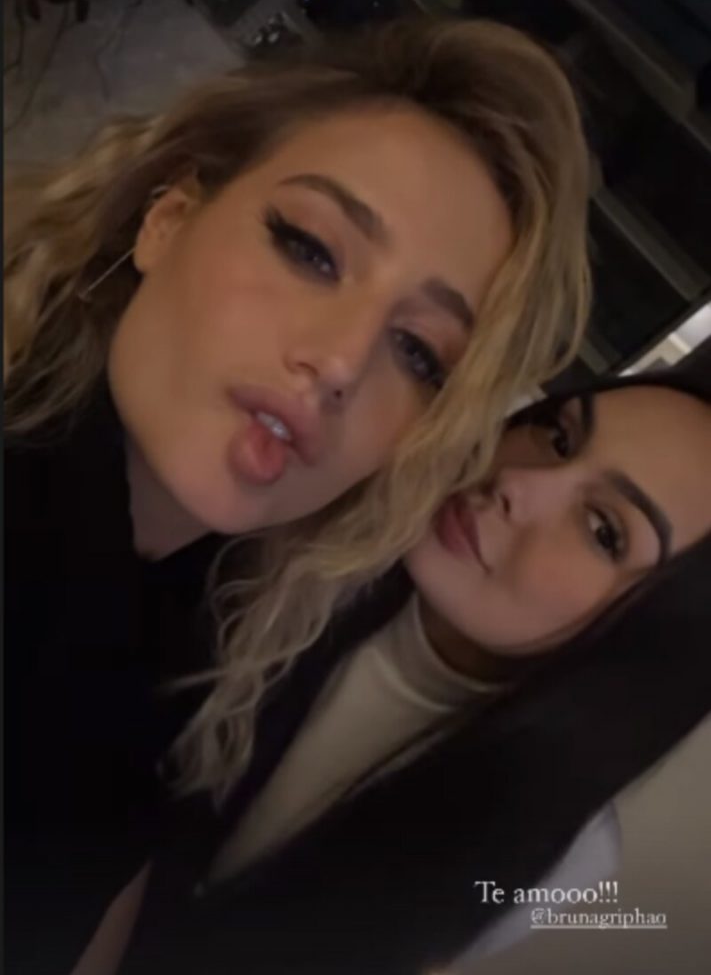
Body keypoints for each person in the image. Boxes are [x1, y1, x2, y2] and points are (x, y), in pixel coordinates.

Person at [4, 17, 591, 975]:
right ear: (168, 218)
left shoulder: (200, 640)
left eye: (419, 354)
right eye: (311, 249)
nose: (341, 362)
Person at [111, 345, 711, 975]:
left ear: (651, 643)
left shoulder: (551, 855)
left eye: (603, 530)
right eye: (559, 438)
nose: (517, 483)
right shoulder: (302, 529)